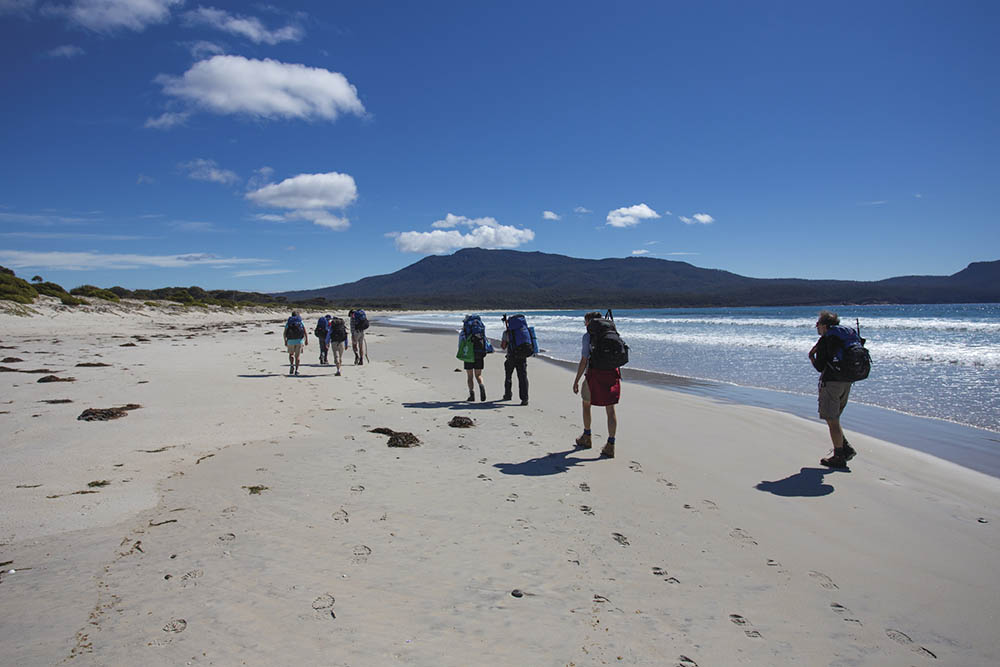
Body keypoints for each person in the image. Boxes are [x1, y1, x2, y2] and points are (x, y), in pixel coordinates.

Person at [809, 310, 859, 468]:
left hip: (831, 382)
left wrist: (812, 356)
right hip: (848, 380)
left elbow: (820, 366)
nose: (816, 327)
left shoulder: (827, 339)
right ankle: (845, 448)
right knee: (834, 418)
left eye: (817, 324)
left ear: (824, 325)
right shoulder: (845, 336)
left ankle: (839, 456)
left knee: (832, 419)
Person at [572, 311, 620, 458]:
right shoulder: (612, 332)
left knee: (586, 404)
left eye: (585, 322)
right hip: (612, 373)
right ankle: (611, 445)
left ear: (589, 323)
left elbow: (584, 360)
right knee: (610, 409)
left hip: (594, 374)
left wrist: (576, 380)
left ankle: (587, 437)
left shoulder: (588, 336)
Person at [500, 317, 529, 406]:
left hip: (511, 356)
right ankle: (524, 399)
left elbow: (503, 346)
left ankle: (508, 395)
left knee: (508, 376)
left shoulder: (507, 333)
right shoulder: (524, 331)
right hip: (522, 357)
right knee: (522, 377)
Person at [459, 314, 489, 402]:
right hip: (479, 353)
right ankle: (481, 385)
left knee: (470, 376)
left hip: (468, 354)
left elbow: (460, 344)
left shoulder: (464, 332)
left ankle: (471, 394)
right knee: (478, 375)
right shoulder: (480, 330)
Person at [283, 311, 308, 376]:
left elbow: (285, 333)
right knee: (297, 356)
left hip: (290, 341)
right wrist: (306, 340)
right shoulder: (300, 321)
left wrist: (285, 341)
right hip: (299, 341)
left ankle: (291, 365)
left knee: (291, 354)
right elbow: (305, 332)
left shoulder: (289, 322)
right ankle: (297, 370)